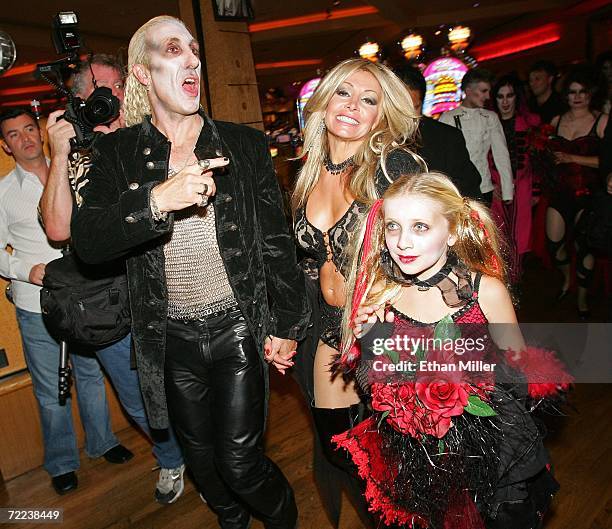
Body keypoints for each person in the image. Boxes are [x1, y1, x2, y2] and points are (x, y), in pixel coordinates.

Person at [70, 16, 309, 529]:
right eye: (174, 49)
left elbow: (276, 243)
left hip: (236, 329)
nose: (192, 59)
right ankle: (232, 521)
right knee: (203, 464)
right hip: (170, 338)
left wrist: (286, 325)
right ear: (142, 73)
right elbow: (88, 242)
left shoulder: (243, 146)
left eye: (194, 50)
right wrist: (156, 199)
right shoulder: (116, 153)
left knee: (241, 464)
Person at [343, 172, 559, 528]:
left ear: (454, 231)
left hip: (493, 451)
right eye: (393, 227)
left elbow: (522, 377)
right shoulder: (385, 295)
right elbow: (372, 388)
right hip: (422, 457)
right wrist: (371, 340)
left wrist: (463, 380)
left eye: (420, 228)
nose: (403, 243)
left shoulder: (483, 292)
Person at [39, 54, 186, 504]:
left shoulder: (153, 132)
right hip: (108, 301)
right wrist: (59, 153)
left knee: (188, 383)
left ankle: (209, 456)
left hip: (171, 285)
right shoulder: (76, 157)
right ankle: (174, 459)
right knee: (139, 396)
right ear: (81, 97)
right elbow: (58, 229)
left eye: (120, 84)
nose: (117, 94)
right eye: (106, 87)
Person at [291, 57, 423, 527]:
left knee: (405, 459)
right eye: (343, 93)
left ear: (382, 116)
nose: (352, 107)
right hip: (332, 332)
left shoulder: (393, 168)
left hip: (385, 334)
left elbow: (435, 244)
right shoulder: (309, 172)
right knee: (340, 446)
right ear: (323, 99)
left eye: (368, 100)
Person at [0, 108, 133, 495]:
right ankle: (61, 463)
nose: (24, 139)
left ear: (40, 133)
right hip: (36, 303)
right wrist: (28, 270)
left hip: (90, 298)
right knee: (49, 390)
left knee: (91, 377)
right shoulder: (5, 193)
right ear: (5, 145)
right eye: (13, 135)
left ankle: (102, 443)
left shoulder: (77, 174)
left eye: (29, 129)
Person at [547, 65, 608, 319]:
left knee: (585, 249)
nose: (578, 96)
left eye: (583, 91)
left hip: (591, 194)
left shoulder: (601, 121)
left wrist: (572, 157)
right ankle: (566, 277)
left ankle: (582, 298)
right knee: (554, 244)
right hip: (560, 193)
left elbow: (606, 160)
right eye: (573, 92)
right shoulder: (556, 121)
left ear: (591, 93)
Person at [394, 64, 482, 199]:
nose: (407, 116)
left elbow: (470, 191)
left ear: (422, 103)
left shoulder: (448, 138)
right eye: (400, 108)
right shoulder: (375, 139)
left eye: (414, 108)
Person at [491, 74, 542, 286]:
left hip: (523, 186)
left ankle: (515, 279)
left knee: (520, 234)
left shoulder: (531, 123)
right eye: (500, 96)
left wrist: (536, 191)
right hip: (497, 185)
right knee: (499, 233)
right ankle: (503, 279)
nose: (505, 101)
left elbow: (539, 161)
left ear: (516, 98)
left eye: (509, 96)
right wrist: (491, 185)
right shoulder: (488, 122)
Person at [439, 68, 514, 206]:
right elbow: (441, 158)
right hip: (456, 191)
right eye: (483, 91)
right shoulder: (448, 118)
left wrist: (508, 189)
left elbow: (501, 154)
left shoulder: (490, 117)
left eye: (488, 92)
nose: (487, 97)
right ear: (468, 91)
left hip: (484, 188)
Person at [528, 60, 565, 124]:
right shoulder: (528, 106)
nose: (532, 84)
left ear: (550, 79)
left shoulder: (561, 104)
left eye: (537, 79)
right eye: (531, 80)